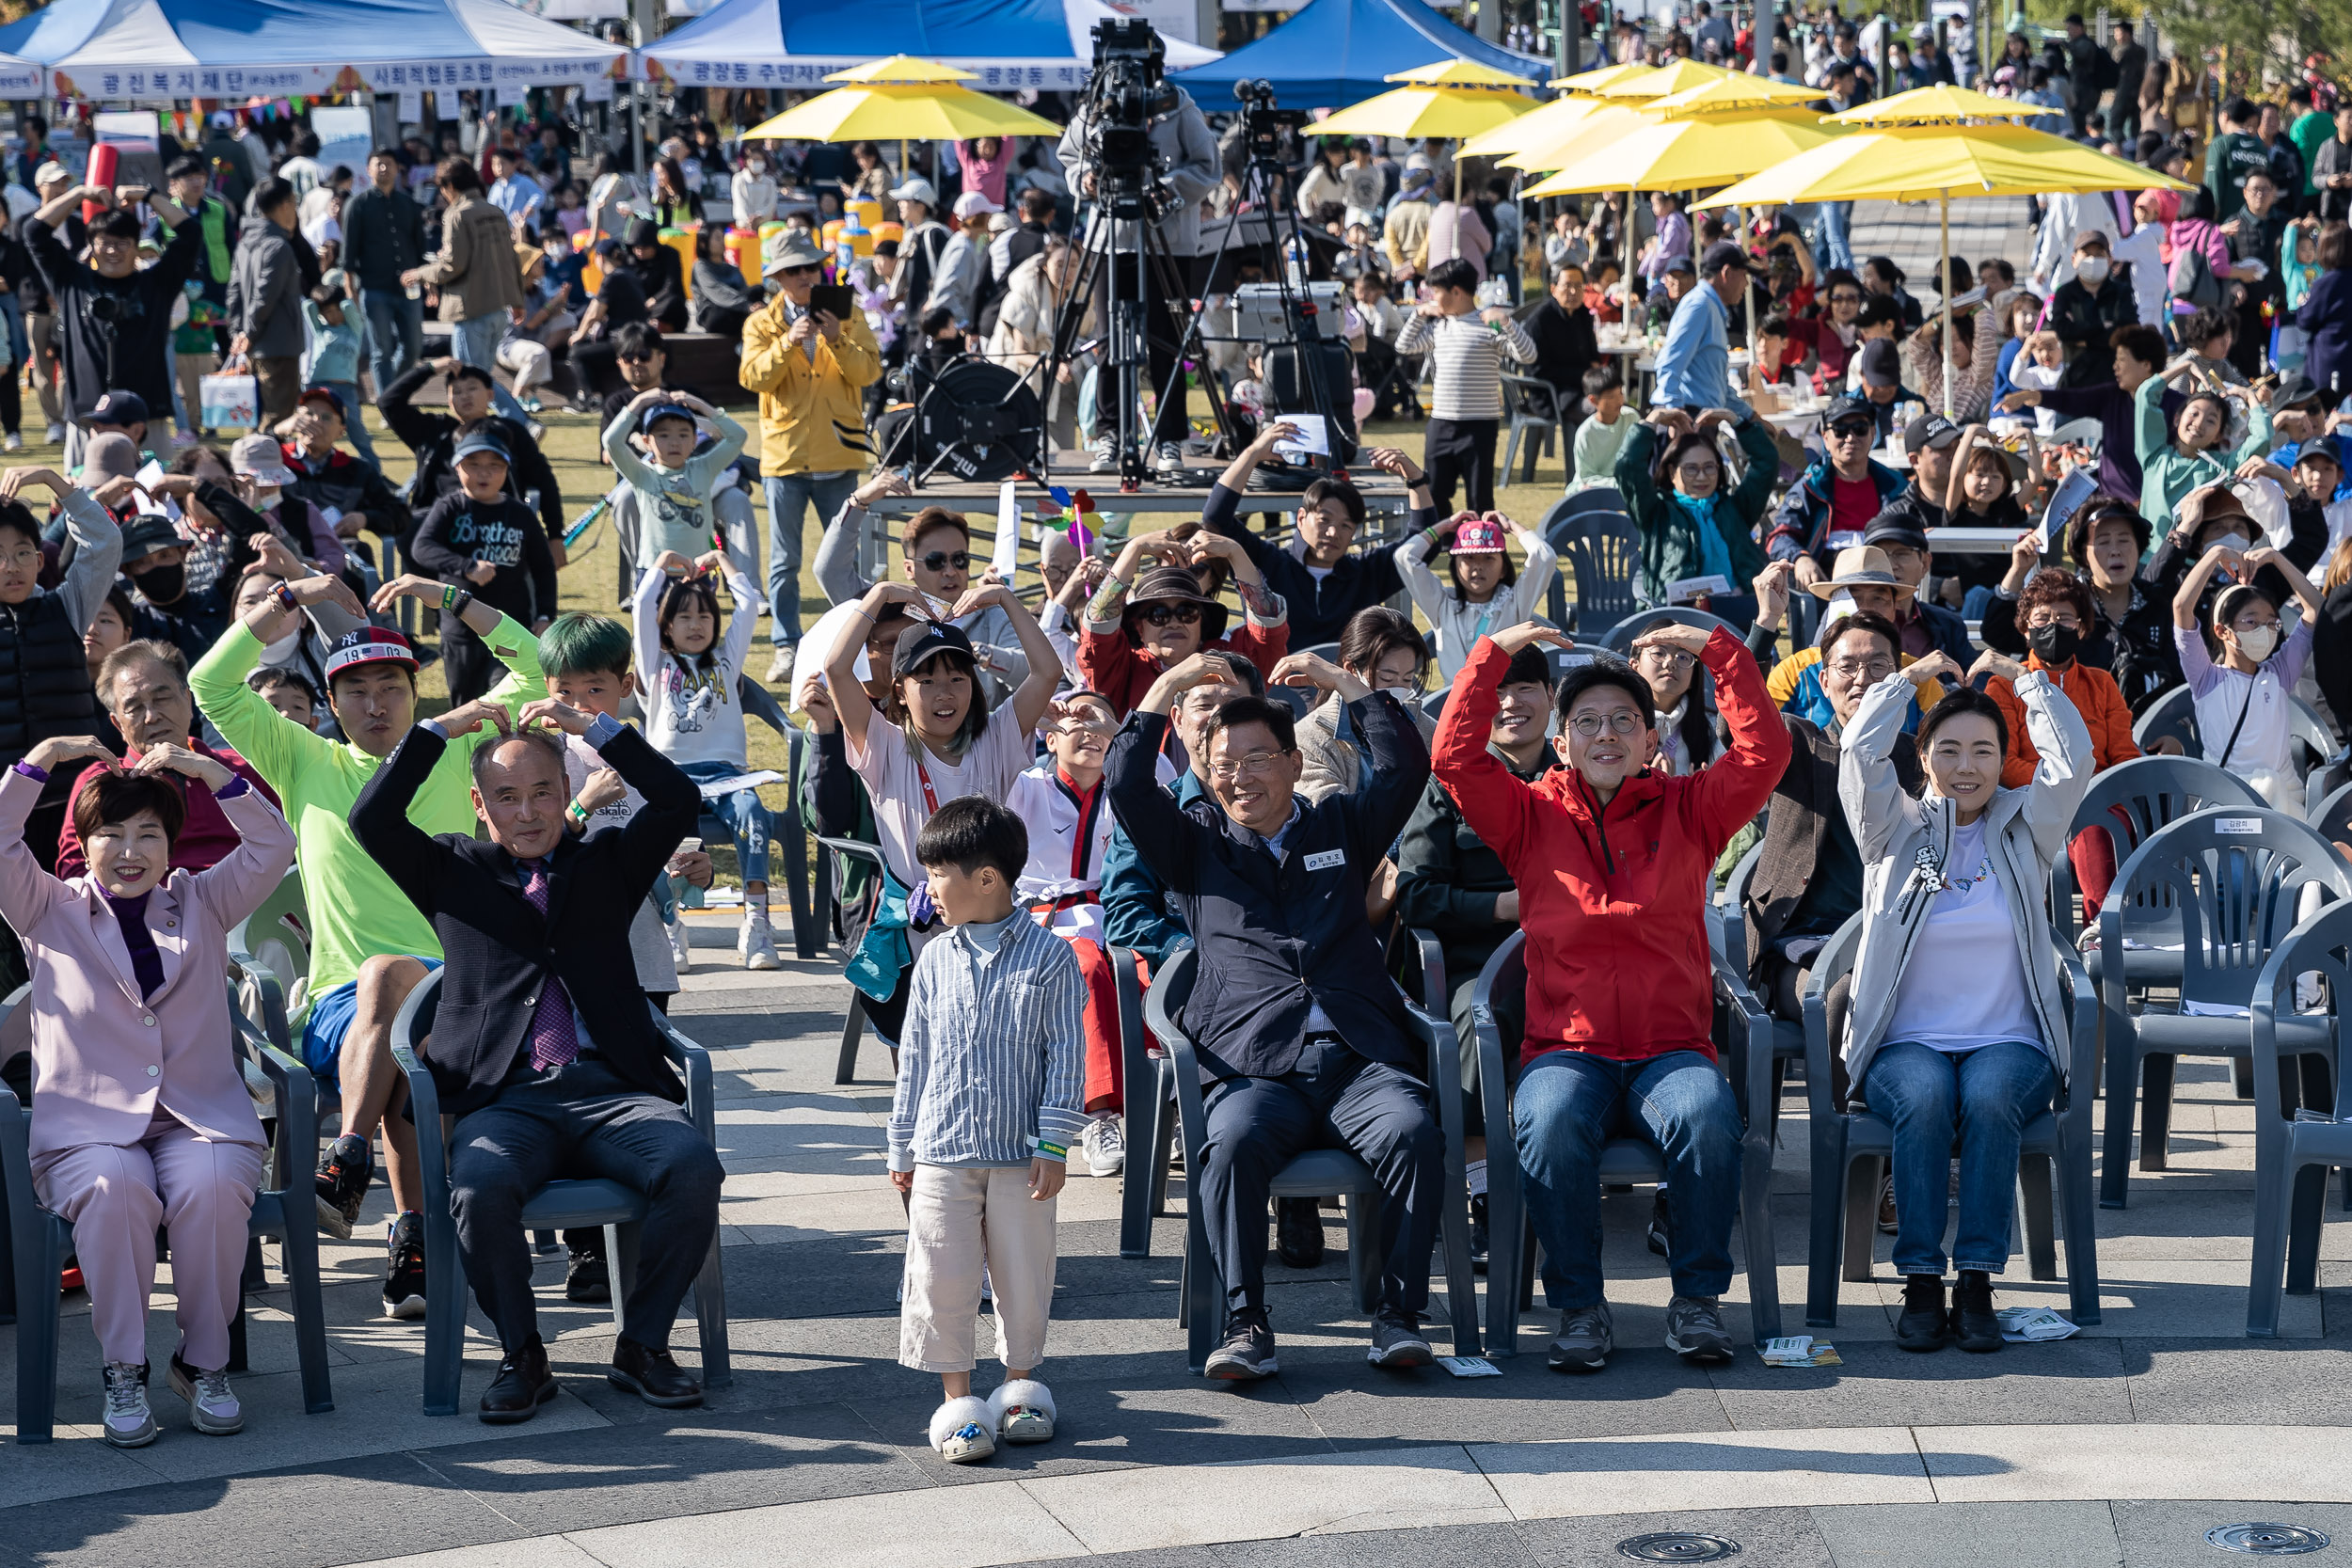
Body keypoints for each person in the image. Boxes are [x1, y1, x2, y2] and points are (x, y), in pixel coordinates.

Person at [351, 693, 718, 1421]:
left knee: (692, 1165)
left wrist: (601, 731)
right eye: (507, 797)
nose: (527, 812)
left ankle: (642, 1343)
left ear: (565, 793)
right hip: (505, 1099)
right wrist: (436, 730)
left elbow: (677, 798)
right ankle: (523, 1353)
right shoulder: (451, 869)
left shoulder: (607, 862)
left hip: (612, 1088)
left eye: (542, 791)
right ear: (481, 805)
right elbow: (372, 819)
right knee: (479, 1188)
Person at [188, 572, 547, 1316]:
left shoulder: (455, 748)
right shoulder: (303, 760)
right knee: (385, 994)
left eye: (391, 686)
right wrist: (288, 597)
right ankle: (408, 1227)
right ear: (330, 700)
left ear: (418, 693)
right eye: (356, 690)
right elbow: (209, 681)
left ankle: (351, 1167)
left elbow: (534, 667)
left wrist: (450, 597)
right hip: (337, 1006)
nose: (375, 704)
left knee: (402, 1016)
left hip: (461, 991)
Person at [1433, 618, 1787, 1371]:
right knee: (1550, 1120)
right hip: (1567, 1049)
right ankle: (1579, 1307)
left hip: (1672, 1047)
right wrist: (1491, 656)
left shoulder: (1692, 809)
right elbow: (1454, 757)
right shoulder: (1529, 816)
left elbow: (1765, 752)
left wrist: (1718, 651)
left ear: (1650, 739)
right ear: (1561, 743)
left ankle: (1696, 1300)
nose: (1606, 733)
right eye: (1587, 721)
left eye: (1624, 720)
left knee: (1707, 1115)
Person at [1106, 646, 1444, 1378]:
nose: (1239, 776)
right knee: (1228, 1146)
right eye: (1223, 763)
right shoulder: (1192, 843)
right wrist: (1165, 688)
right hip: (1255, 1069)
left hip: (1359, 1061)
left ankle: (1397, 1315)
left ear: (1293, 763)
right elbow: (1128, 787)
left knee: (1415, 1128)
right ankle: (1245, 1323)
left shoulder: (1340, 828)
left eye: (1257, 759)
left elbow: (1405, 770)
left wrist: (1348, 687)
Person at [2, 731, 294, 1445]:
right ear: (83, 842)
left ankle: (202, 1362)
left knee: (217, 1178)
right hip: (88, 1131)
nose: (130, 850)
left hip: (199, 1120)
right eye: (111, 834)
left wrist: (208, 769)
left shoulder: (203, 898)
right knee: (114, 1187)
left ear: (170, 844)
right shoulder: (45, 906)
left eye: (148, 833)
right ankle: (123, 1368)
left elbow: (274, 846)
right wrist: (40, 759)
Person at [1841, 656, 2092, 1353]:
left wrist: (2027, 678)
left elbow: (2074, 761)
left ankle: (1978, 1277)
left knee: (1986, 1097)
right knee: (1922, 1095)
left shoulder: (2027, 827)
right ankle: (1922, 1277)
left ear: (2005, 757)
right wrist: (1908, 676)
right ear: (1920, 757)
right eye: (1947, 749)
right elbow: (1860, 750)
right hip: (1904, 1042)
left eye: (1984, 750)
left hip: (2011, 1041)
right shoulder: (1890, 827)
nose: (1966, 765)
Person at [888, 795, 1084, 1465]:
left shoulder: (1052, 958)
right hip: (942, 1148)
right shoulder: (935, 958)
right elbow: (914, 1054)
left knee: (1023, 1275)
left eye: (937, 873)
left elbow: (1067, 1054)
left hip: (1021, 1154)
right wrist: (900, 1141)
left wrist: (1055, 1139)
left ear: (987, 879)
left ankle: (1022, 1388)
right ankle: (958, 1405)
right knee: (942, 1273)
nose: (928, 889)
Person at [1740, 600, 1923, 1024]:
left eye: (1879, 666)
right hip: (1806, 948)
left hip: (1900, 939)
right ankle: (1848, 1097)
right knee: (1842, 1000)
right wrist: (1766, 624)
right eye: (1848, 667)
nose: (1862, 680)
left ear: (1899, 679)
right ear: (1824, 681)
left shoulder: (1920, 757)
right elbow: (1739, 724)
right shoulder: (1796, 744)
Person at [1056, 71, 1218, 472]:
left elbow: (1208, 165)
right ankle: (1109, 436)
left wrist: (1167, 187)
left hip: (1168, 239)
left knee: (1168, 341)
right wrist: (1087, 179)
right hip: (1111, 237)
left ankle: (1169, 442)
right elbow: (1069, 158)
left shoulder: (1176, 104)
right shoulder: (1095, 105)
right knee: (1109, 339)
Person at [740, 230, 882, 677]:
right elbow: (752, 378)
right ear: (778, 278)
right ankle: (786, 646)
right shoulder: (761, 323)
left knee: (848, 560)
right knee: (785, 561)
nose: (804, 276)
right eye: (793, 270)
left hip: (839, 455)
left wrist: (838, 337)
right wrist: (787, 342)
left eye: (810, 267)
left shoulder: (850, 314)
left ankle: (861, 643)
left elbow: (867, 372)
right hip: (784, 458)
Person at [630, 549, 780, 969]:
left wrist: (722, 560)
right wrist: (664, 561)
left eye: (705, 617)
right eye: (684, 617)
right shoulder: (655, 664)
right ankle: (671, 925)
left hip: (729, 777)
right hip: (672, 778)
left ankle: (756, 922)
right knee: (669, 835)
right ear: (666, 627)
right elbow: (642, 604)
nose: (696, 625)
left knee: (753, 815)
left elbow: (749, 603)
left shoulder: (727, 662)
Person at [1003, 690, 1129, 1173]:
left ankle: (1174, 1107)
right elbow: (1001, 749)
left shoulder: (1133, 780)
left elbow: (1153, 765)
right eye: (1076, 722)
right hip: (1050, 918)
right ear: (1051, 738)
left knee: (1161, 975)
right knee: (1088, 968)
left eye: (1101, 722)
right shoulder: (1027, 784)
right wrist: (1042, 712)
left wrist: (1112, 731)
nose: (1090, 730)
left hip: (1119, 913)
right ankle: (1100, 1114)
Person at [55, 639, 273, 879]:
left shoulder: (242, 768)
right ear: (118, 725)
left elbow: (286, 841)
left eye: (161, 699)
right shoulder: (101, 782)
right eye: (134, 707)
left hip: (251, 901)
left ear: (188, 701)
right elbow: (75, 871)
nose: (151, 716)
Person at [1197, 426, 1427, 649]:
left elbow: (1423, 542)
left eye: (1346, 525)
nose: (1333, 532)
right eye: (1324, 520)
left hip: (1347, 686)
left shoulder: (1367, 573)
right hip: (1272, 686)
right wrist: (1253, 453)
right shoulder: (1266, 563)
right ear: (1301, 518)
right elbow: (1216, 520)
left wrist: (1416, 478)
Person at [24, 180, 199, 463]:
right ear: (91, 246)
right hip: (87, 416)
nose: (113, 251)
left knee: (154, 498)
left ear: (136, 247)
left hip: (147, 418)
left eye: (122, 243)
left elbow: (190, 233)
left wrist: (149, 195)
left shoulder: (157, 284)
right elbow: (34, 231)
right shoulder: (72, 282)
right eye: (104, 242)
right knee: (84, 499)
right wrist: (78, 194)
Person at [815, 499, 1040, 699]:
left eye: (960, 560)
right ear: (909, 569)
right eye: (936, 561)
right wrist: (857, 502)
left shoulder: (993, 614)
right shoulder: (887, 606)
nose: (950, 571)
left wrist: (979, 653)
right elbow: (830, 573)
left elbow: (1035, 674)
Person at [409, 425, 559, 704]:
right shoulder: (449, 508)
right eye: (473, 465)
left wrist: (545, 615)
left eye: (494, 465)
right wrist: (466, 566)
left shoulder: (520, 514)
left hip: (511, 627)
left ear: (507, 470)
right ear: (457, 468)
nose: (484, 473)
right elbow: (422, 547)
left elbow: (543, 567)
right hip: (460, 631)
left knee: (506, 701)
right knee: (467, 705)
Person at [1077, 522, 1288, 719]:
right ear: (1138, 627)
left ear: (1202, 622)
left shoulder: (1230, 663)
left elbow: (1267, 627)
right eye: (1158, 614)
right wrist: (1134, 548)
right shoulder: (1122, 668)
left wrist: (1236, 552)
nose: (1174, 622)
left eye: (1187, 613)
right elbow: (1098, 625)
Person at [2172, 540, 2324, 807]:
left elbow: (2315, 609)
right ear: (2223, 631)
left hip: (2282, 806)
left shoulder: (2279, 674)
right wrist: (2215, 554)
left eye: (2271, 622)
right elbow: (2182, 606)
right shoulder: (2207, 679)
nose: (2264, 630)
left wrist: (2277, 559)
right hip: (2224, 803)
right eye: (2252, 621)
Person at [1391, 257, 1535, 514]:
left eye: (1436, 292)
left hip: (1480, 425)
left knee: (1479, 498)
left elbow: (1528, 355)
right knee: (1434, 490)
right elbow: (1404, 346)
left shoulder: (1487, 325)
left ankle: (1482, 549)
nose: (1432, 298)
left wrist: (1507, 322)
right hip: (1442, 422)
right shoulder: (1439, 327)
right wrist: (1419, 314)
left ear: (1456, 291)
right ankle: (1445, 543)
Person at [380, 357, 564, 547]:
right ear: (449, 401)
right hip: (438, 523)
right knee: (409, 530)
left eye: (472, 388)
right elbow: (388, 403)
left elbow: (544, 481)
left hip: (496, 521)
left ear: (491, 395)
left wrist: (555, 536)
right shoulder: (433, 431)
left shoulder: (510, 432)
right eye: (457, 391)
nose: (465, 396)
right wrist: (429, 369)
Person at [1616, 406, 1779, 619]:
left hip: (1738, 617)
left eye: (1709, 467)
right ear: (1672, 471)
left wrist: (1735, 420)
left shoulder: (1735, 508)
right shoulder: (1655, 512)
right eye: (1691, 468)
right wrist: (1652, 421)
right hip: (1676, 620)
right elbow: (1627, 466)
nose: (1702, 477)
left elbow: (1766, 461)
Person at [1394, 511, 1559, 682]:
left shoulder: (1514, 603)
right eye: (1469, 558)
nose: (1478, 566)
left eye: (1488, 558)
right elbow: (1404, 557)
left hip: (1501, 702)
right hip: (1451, 702)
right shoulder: (1442, 604)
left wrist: (1511, 526)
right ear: (1455, 567)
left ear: (1503, 568)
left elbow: (1545, 557)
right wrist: (1444, 526)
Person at [1292, 607, 1434, 803]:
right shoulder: (1309, 740)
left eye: (1408, 679)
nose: (1398, 689)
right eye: (1387, 678)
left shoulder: (1427, 731)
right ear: (1350, 671)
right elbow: (1333, 820)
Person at [402, 158, 527, 378]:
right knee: (483, 381)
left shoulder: (457, 214)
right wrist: (517, 301)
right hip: (499, 309)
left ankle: (515, 414)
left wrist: (418, 274)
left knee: (468, 379)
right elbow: (512, 258)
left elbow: (452, 265)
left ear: (449, 186)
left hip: (471, 309)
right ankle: (512, 413)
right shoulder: (495, 212)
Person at [602, 389, 750, 577]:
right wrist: (639, 403)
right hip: (654, 571)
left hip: (696, 571)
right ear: (647, 441)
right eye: (663, 435)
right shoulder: (642, 474)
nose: (674, 443)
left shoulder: (703, 468)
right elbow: (611, 441)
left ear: (695, 440)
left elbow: (738, 436)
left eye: (683, 435)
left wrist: (701, 405)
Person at [1765, 395, 1905, 585]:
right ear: (1825, 437)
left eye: (1860, 429)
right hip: (1826, 576)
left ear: (1873, 433)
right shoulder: (1809, 487)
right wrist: (1800, 558)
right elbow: (1779, 537)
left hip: (1883, 575)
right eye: (1840, 431)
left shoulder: (1896, 485)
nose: (1850, 438)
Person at [2136, 373, 2271, 533]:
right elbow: (2146, 394)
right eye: (2194, 413)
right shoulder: (2154, 456)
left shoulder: (2220, 467)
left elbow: (2262, 438)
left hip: (2191, 558)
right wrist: (2185, 365)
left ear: (2218, 436)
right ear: (2177, 418)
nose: (2199, 424)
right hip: (2144, 557)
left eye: (2211, 421)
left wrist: (2250, 397)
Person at [342, 150, 427, 394]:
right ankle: (388, 404)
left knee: (413, 348)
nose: (383, 169)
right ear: (368, 170)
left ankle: (393, 396)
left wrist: (428, 280)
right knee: (382, 351)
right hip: (374, 287)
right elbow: (348, 252)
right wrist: (350, 288)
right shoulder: (358, 205)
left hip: (409, 286)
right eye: (378, 164)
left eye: (388, 164)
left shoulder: (408, 203)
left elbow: (420, 246)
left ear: (397, 169)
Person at [1653, 242, 1757, 417]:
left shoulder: (1710, 307)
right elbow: (1668, 364)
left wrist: (1752, 417)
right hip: (1687, 420)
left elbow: (1718, 387)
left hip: (1700, 418)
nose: (1746, 284)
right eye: (1743, 275)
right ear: (1726, 273)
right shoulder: (1700, 305)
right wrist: (1675, 414)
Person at [1569, 365, 1637, 493]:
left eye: (1621, 393)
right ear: (1593, 400)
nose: (1620, 400)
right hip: (1594, 489)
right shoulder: (1586, 433)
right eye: (1611, 397)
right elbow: (1586, 477)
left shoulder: (1631, 418)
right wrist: (1616, 483)